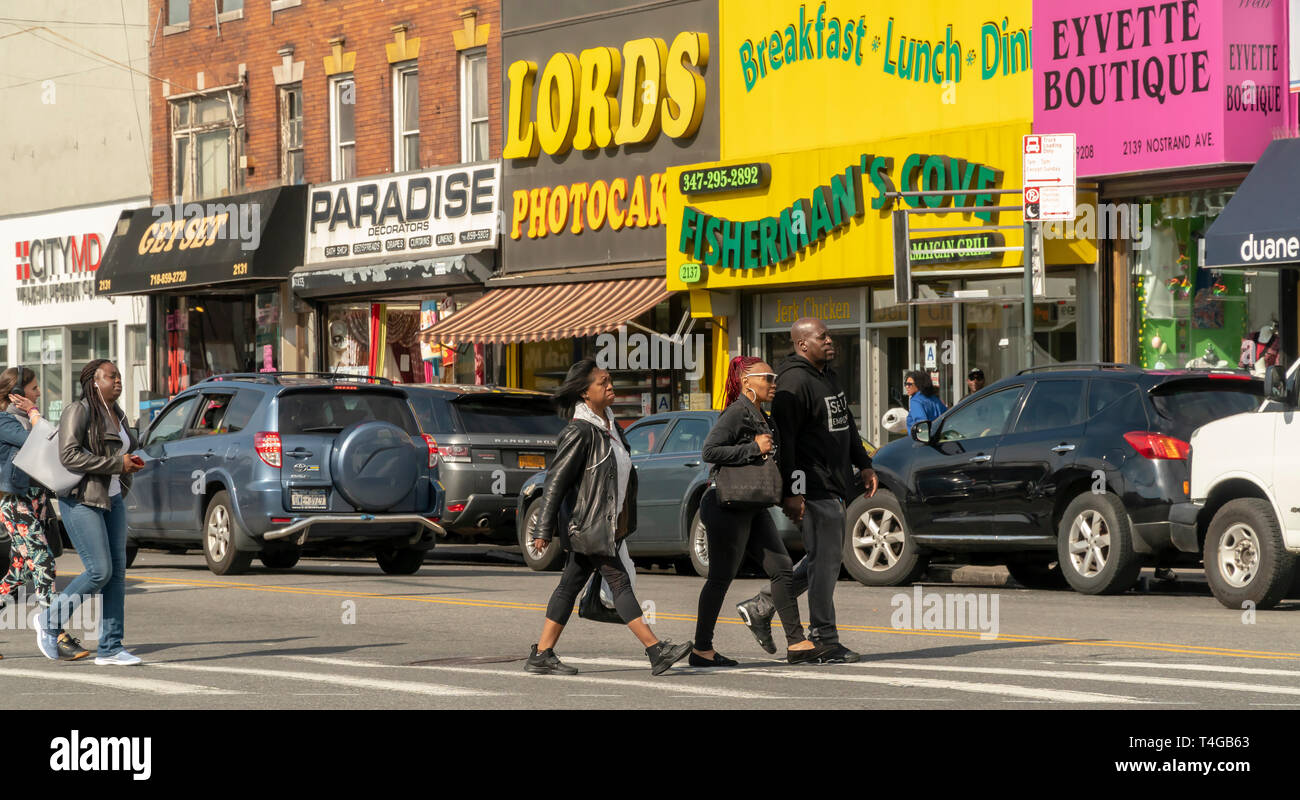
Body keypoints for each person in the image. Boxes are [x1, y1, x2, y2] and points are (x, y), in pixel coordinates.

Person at [525, 359, 692, 676]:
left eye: (610, 380)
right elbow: (555, 482)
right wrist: (544, 528)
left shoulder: (610, 428)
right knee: (618, 581)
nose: (610, 385)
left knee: (568, 587)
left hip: (604, 526)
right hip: (591, 526)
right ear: (585, 393)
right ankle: (656, 650)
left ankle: (542, 653)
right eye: (602, 382)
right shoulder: (580, 432)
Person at [736, 318, 876, 664]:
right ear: (802, 344)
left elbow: (846, 423)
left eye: (828, 335)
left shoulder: (827, 374)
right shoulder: (792, 384)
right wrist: (793, 492)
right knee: (826, 564)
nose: (830, 341)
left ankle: (762, 605)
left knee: (820, 560)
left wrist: (864, 462)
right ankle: (823, 639)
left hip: (835, 482)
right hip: (813, 485)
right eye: (822, 337)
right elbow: (787, 443)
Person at [692, 356, 824, 666]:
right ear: (747, 381)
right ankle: (701, 649)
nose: (773, 383)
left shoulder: (761, 416)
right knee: (720, 578)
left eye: (774, 377)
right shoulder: (737, 412)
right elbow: (710, 450)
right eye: (767, 377)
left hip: (752, 505)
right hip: (726, 505)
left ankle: (797, 643)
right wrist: (754, 448)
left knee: (781, 570)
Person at [36, 360, 143, 665]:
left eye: (119, 376)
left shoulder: (118, 414)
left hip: (113, 499)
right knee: (99, 571)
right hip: (82, 499)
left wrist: (128, 461)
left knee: (117, 575)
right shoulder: (79, 410)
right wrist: (115, 464)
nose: (119, 381)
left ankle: (110, 647)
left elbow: (117, 452)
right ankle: (48, 620)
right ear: (95, 382)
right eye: (112, 376)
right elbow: (69, 454)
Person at [0, 368, 89, 660]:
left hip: (37, 500)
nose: (38, 392)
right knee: (43, 561)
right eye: (34, 388)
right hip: (14, 502)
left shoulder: (28, 419)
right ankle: (55, 631)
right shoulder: (4, 420)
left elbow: (53, 441)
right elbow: (38, 441)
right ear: (17, 394)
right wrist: (34, 412)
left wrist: (35, 413)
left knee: (19, 571)